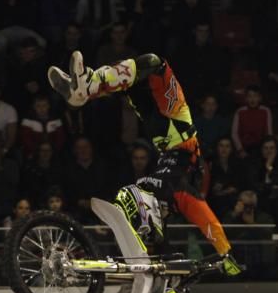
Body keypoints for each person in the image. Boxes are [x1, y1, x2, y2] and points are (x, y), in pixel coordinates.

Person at [47, 51, 242, 274]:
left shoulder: (163, 183)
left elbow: (195, 219)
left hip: (164, 130)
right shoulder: (184, 185)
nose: (166, 209)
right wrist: (225, 252)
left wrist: (156, 246)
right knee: (144, 72)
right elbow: (206, 219)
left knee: (148, 70)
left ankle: (85, 89)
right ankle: (85, 88)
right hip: (176, 128)